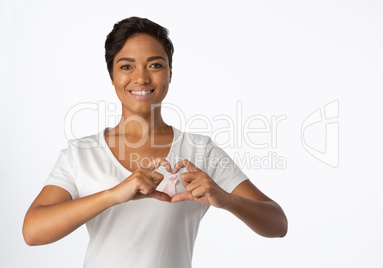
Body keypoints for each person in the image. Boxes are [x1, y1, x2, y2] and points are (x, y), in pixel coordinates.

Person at [23, 16, 287, 268]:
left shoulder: (200, 150)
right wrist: (113, 195)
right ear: (112, 76)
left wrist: (227, 199)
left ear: (170, 73)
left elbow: (278, 224)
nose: (141, 78)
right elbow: (33, 232)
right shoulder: (81, 153)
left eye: (155, 65)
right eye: (126, 66)